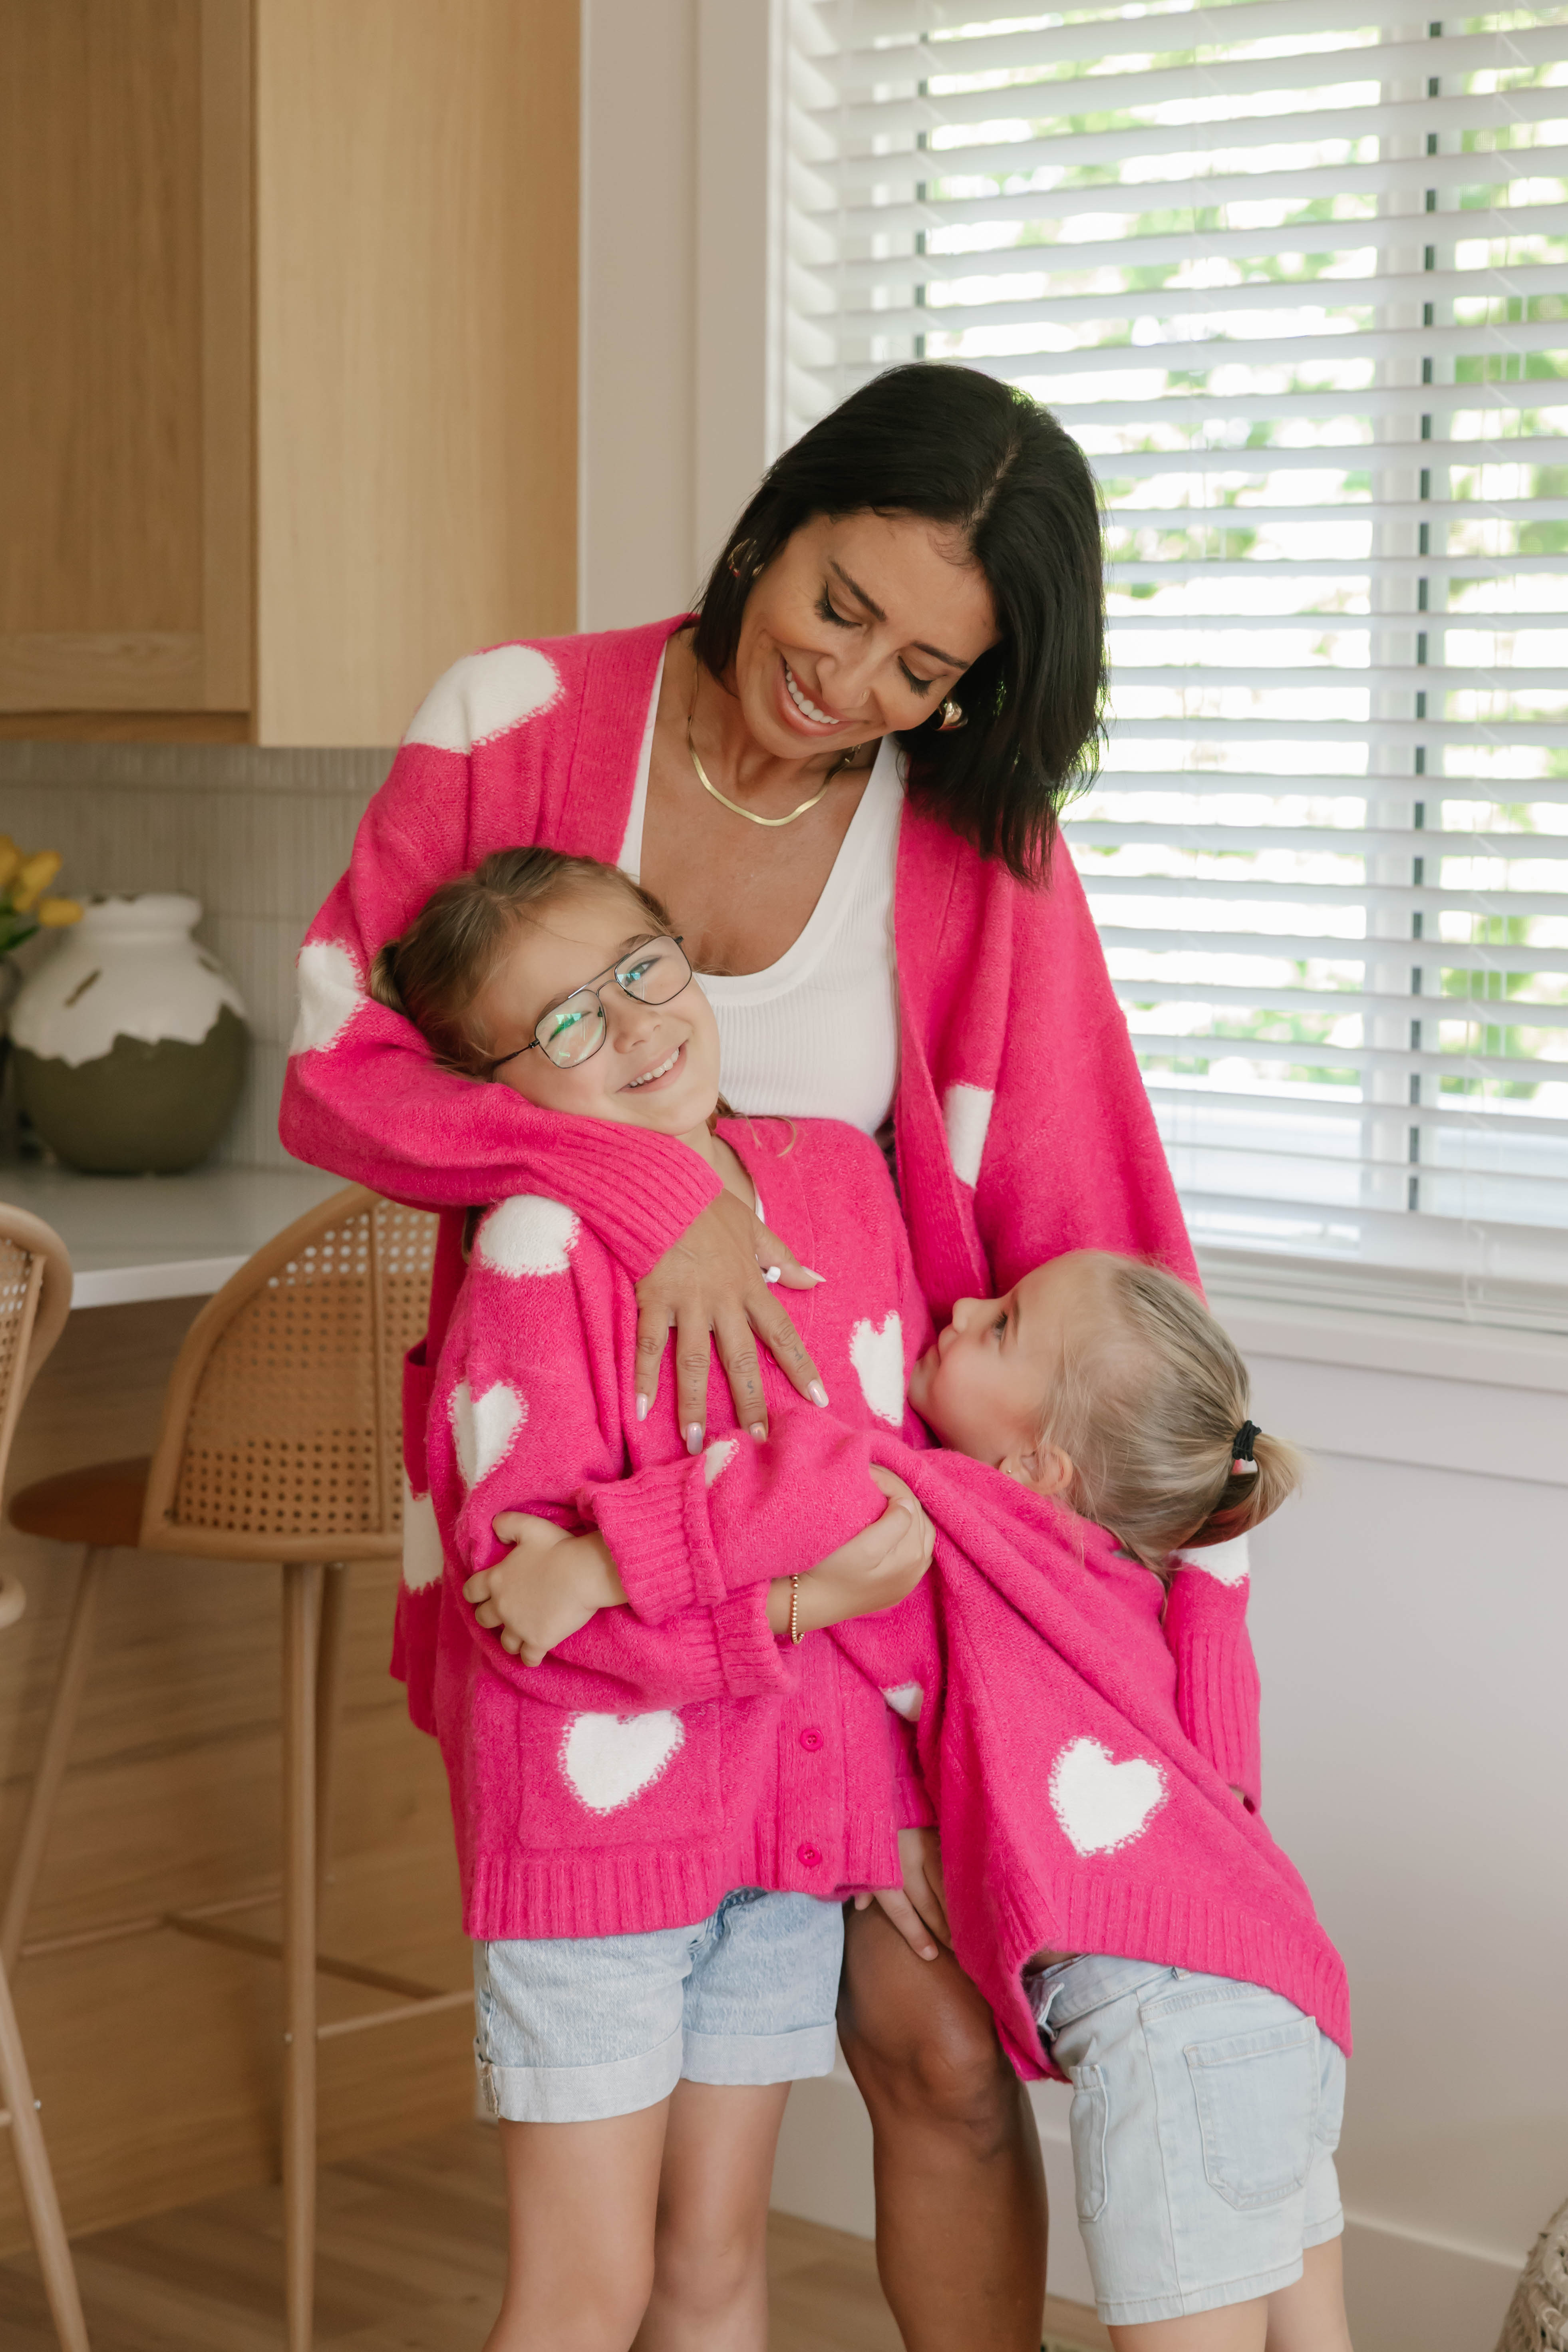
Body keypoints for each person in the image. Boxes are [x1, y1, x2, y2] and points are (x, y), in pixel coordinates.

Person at [281, 360, 1195, 2350]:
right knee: (625, 2183)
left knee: (940, 2047)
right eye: (837, 604)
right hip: (591, 1542)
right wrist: (633, 1179)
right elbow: (337, 1064)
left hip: (866, 1556)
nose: (847, 680)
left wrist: (1127, 1591)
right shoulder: (515, 719)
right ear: (770, 528)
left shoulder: (972, 840)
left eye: (920, 666)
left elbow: (1081, 1216)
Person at [511, 1248, 1353, 2352]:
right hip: (1283, 1979)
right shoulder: (1119, 1567)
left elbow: (788, 1483)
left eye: (1001, 1327)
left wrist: (588, 1569)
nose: (963, 1305)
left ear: (1038, 1463)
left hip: (1170, 2025)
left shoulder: (947, 1508)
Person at [372, 844, 943, 2350]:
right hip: (592, 1839)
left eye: (641, 970)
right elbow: (528, 1622)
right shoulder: (536, 1243)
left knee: (713, 2271)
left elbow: (878, 1497)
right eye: (564, 1023)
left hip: (782, 1825)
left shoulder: (838, 1177)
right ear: (497, 1088)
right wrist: (783, 1600)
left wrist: (625, 1558)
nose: (630, 1027)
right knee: (587, 2293)